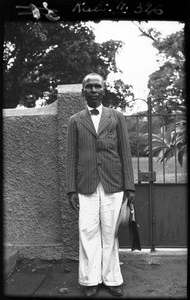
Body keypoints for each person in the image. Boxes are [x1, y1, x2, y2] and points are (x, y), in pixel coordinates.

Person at [66, 73, 135, 298]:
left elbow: (125, 152)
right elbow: (71, 157)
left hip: (113, 183)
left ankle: (113, 279)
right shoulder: (75, 120)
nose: (93, 90)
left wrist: (129, 187)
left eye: (98, 86)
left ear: (104, 90)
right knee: (87, 232)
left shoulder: (116, 117)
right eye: (89, 86)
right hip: (85, 184)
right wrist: (71, 189)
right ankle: (90, 280)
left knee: (110, 233)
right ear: (83, 91)